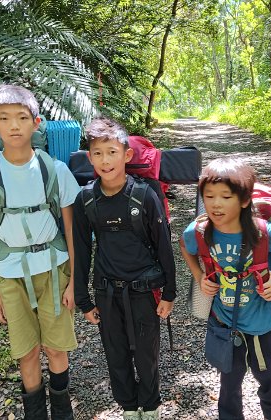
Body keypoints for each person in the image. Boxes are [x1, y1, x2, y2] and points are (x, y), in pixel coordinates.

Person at [0, 85, 81, 419]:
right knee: (26, 352)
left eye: (22, 117)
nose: (14, 125)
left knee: (56, 348)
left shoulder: (55, 170)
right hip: (9, 275)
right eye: (4, 118)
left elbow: (72, 229)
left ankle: (62, 412)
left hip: (54, 270)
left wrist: (75, 281)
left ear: (36, 122)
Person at [180, 157, 271, 420]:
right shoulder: (200, 231)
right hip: (225, 322)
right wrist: (199, 276)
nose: (216, 204)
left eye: (226, 196)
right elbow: (185, 245)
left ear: (245, 200)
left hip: (267, 324)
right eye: (209, 196)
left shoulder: (264, 232)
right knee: (228, 385)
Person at [72, 117, 176, 420]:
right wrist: (83, 300)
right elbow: (81, 249)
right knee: (115, 354)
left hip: (144, 291)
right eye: (98, 153)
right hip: (107, 291)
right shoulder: (86, 199)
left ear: (127, 154)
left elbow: (163, 245)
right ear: (90, 157)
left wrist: (169, 293)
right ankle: (129, 408)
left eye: (112, 152)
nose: (105, 160)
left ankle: (151, 407)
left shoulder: (144, 195)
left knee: (146, 353)